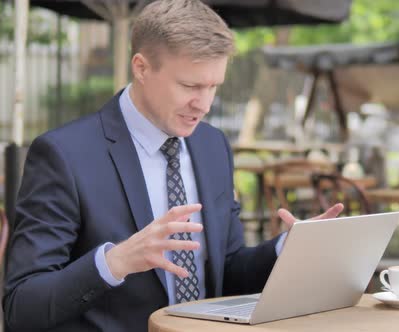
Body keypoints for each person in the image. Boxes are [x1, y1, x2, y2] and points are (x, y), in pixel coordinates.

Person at [2, 1, 343, 331]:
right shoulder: (64, 154)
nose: (204, 104)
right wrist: (115, 263)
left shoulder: (212, 145)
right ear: (141, 68)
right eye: (190, 86)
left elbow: (228, 270)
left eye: (214, 87)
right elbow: (21, 306)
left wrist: (287, 247)